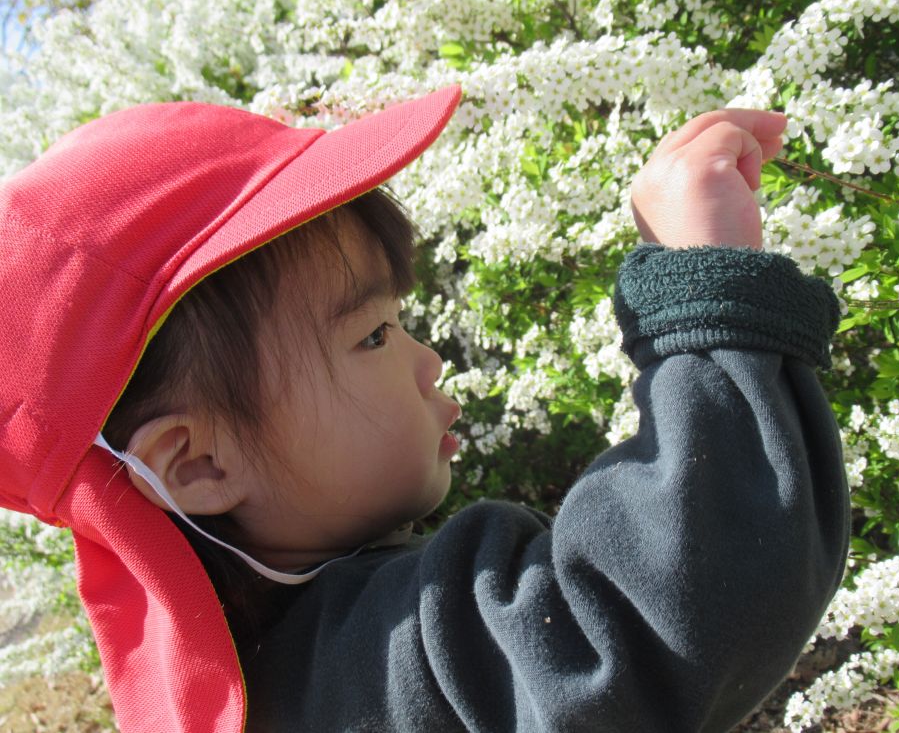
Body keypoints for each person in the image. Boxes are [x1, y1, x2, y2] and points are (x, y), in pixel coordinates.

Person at [0, 85, 849, 732]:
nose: (426, 358)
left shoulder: (274, 679)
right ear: (200, 465)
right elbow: (656, 613)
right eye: (372, 336)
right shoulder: (384, 668)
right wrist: (706, 304)